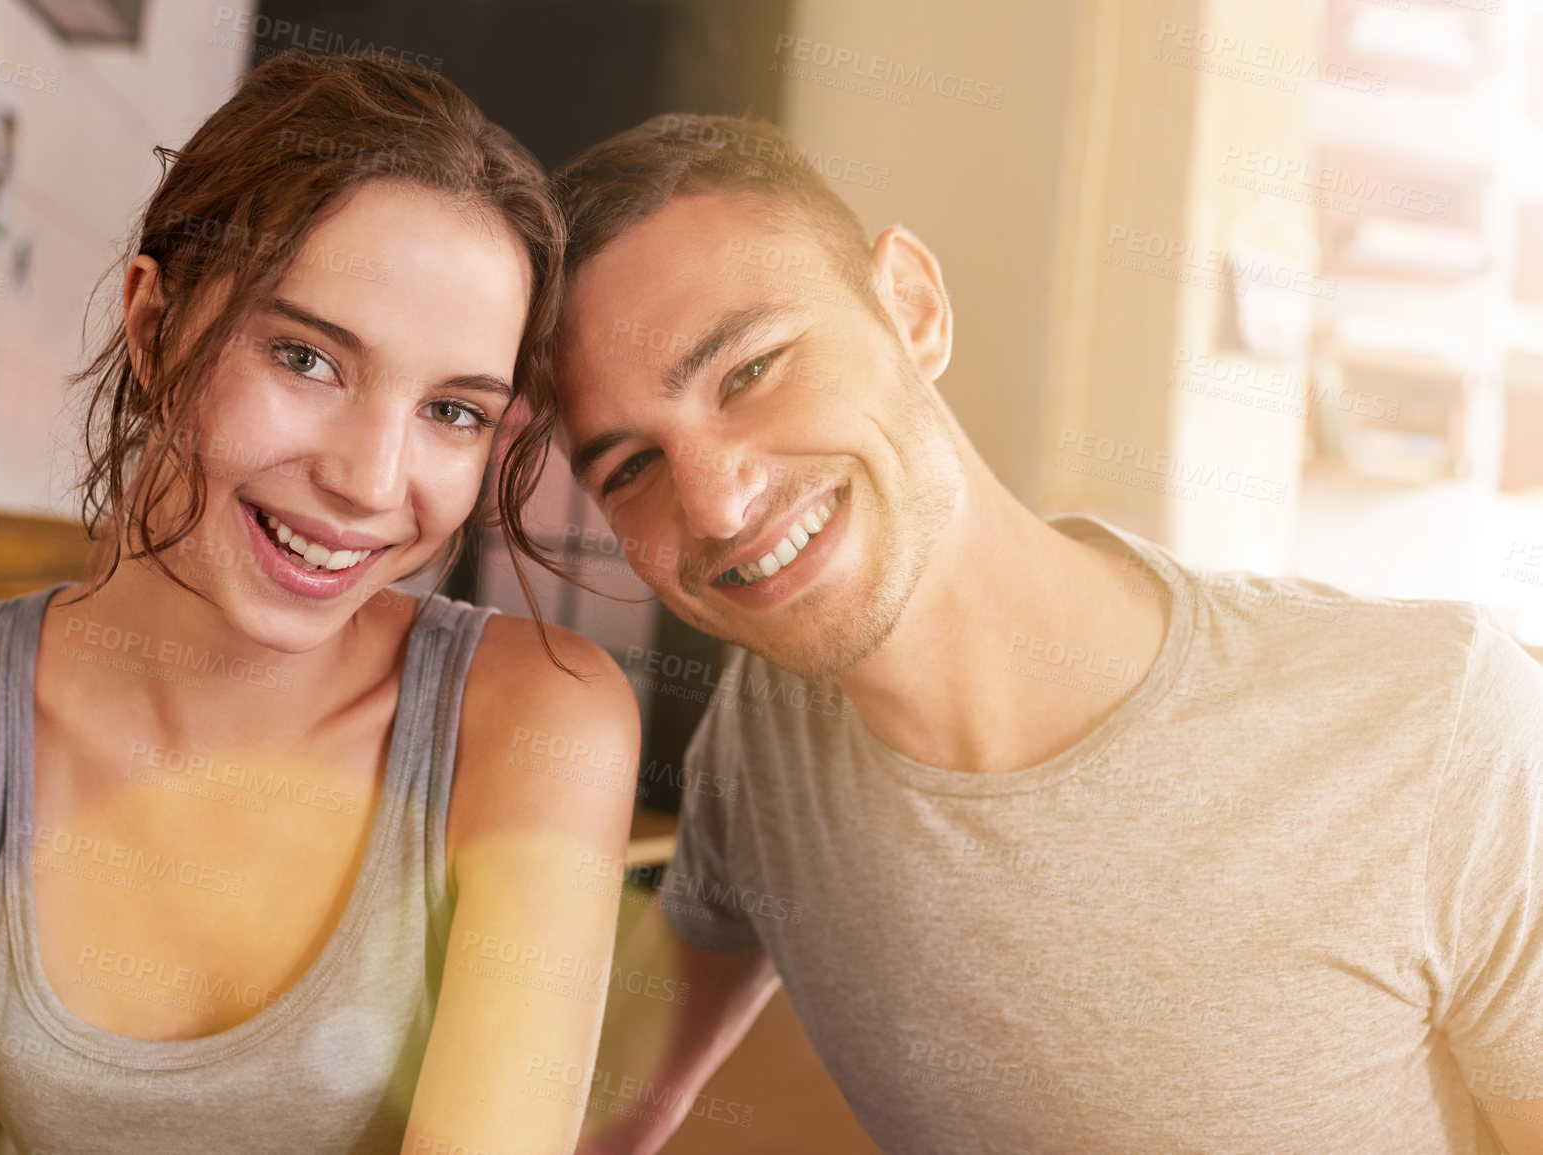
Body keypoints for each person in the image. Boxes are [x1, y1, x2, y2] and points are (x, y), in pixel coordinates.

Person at [527, 113, 1543, 1154]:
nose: (718, 505)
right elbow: (598, 1107)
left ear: (911, 308)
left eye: (750, 371)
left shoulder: (1446, 726)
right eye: (630, 469)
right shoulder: (767, 732)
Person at [0, 52, 640, 1155]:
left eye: (452, 411)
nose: (369, 480)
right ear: (154, 327)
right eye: (306, 358)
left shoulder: (538, 720)